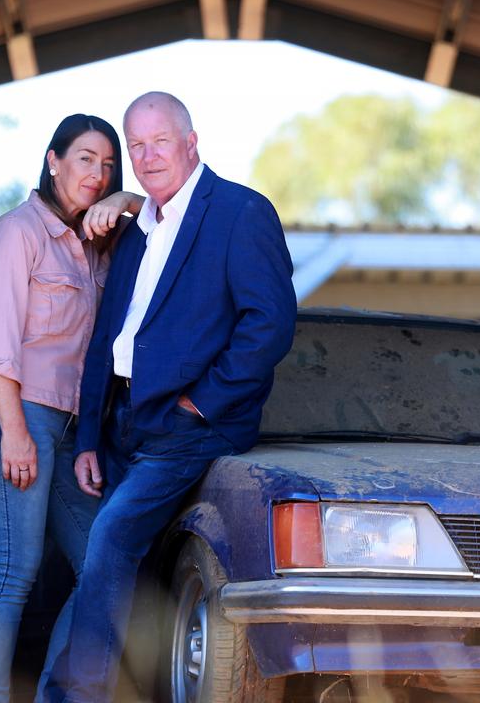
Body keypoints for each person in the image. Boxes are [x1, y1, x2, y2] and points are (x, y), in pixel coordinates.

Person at [42, 92, 297, 702]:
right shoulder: (135, 228)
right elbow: (110, 334)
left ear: (191, 141)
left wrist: (204, 403)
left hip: (193, 427)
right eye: (137, 146)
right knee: (98, 563)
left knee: (109, 542)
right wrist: (90, 438)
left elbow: (270, 322)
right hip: (124, 422)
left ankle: (72, 697)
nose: (148, 155)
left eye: (160, 141)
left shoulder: (240, 211)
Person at [0, 113, 143, 703]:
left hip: (63, 426)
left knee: (102, 567)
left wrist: (125, 198)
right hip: (6, 411)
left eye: (108, 164)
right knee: (13, 572)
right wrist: (14, 433)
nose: (98, 172)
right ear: (53, 159)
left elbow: (154, 208)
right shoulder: (20, 232)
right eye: (85, 158)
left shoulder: (94, 240)